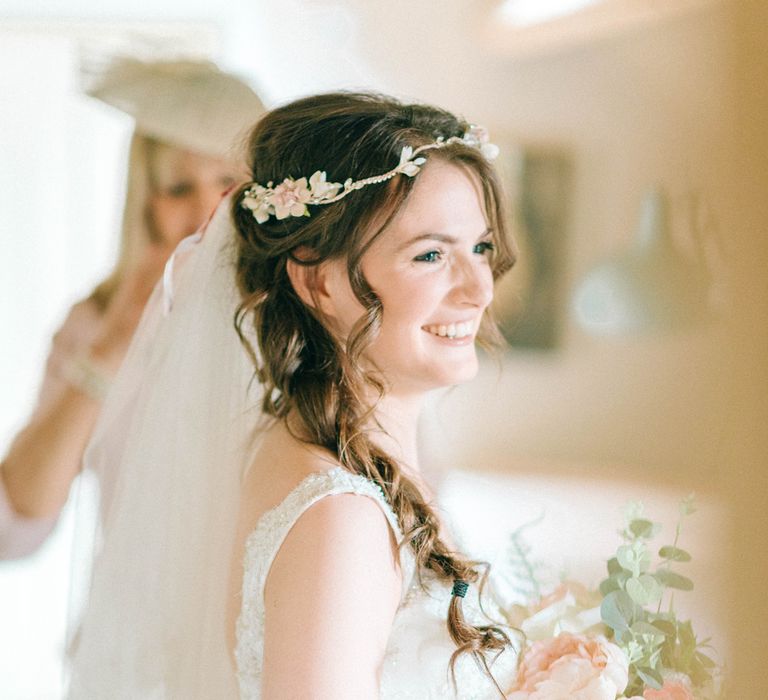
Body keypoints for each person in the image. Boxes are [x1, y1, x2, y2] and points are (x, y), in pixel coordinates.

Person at [66, 92, 521, 698]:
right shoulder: (340, 517)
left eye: (481, 248)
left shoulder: (323, 457)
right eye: (431, 254)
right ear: (317, 280)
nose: (477, 289)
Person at [0, 58, 265, 558]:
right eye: (179, 187)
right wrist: (114, 343)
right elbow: (15, 529)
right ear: (147, 202)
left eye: (228, 180)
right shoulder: (94, 322)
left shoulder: (317, 313)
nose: (211, 210)